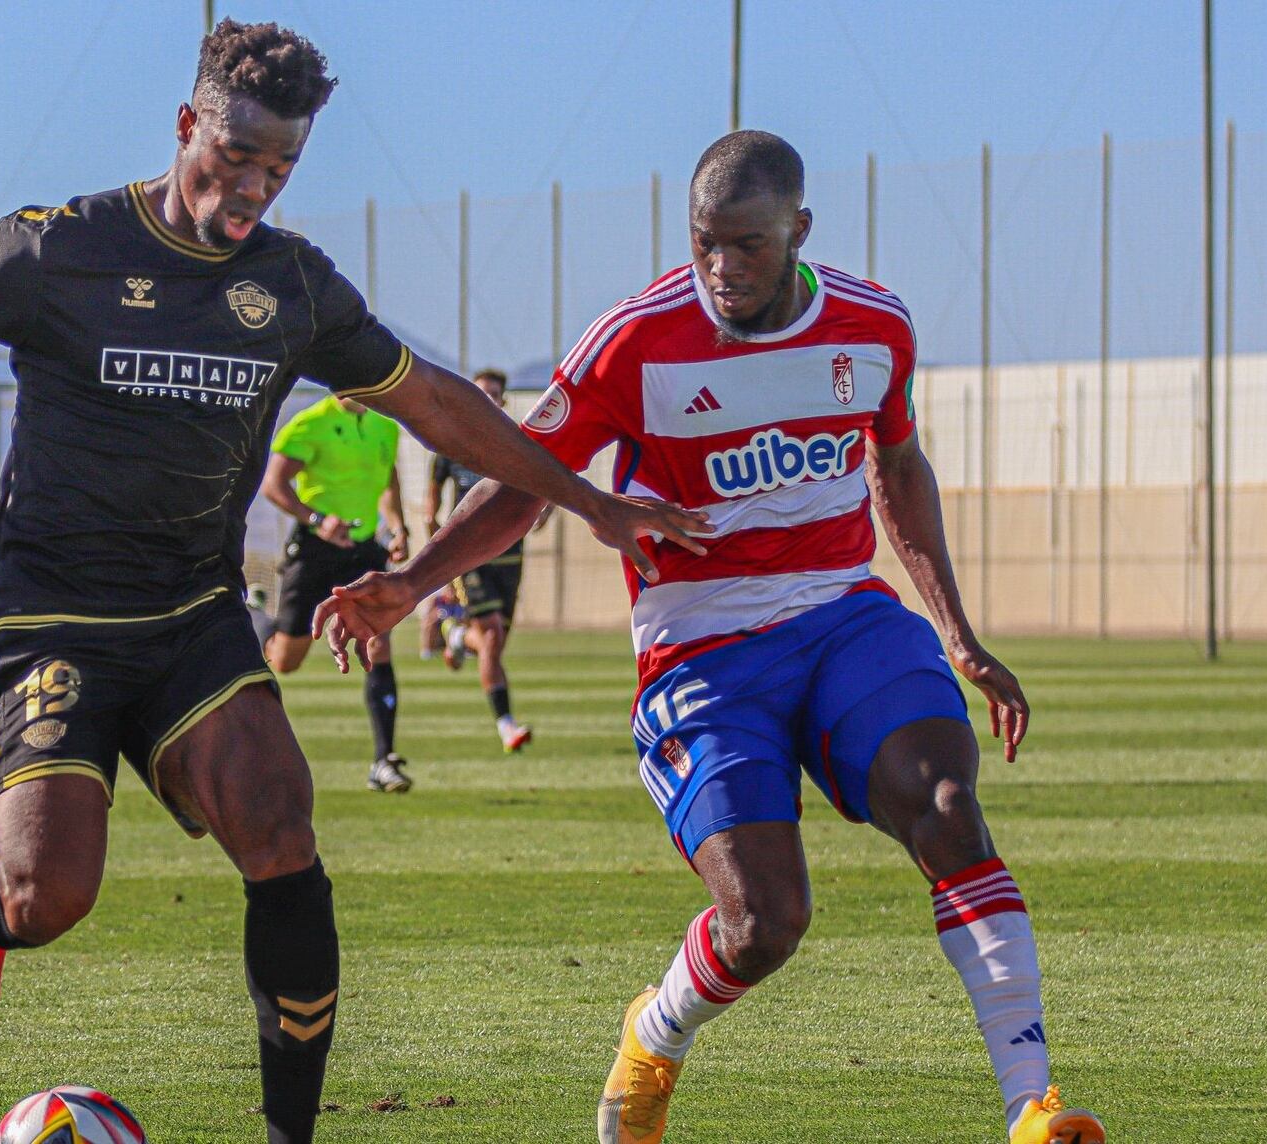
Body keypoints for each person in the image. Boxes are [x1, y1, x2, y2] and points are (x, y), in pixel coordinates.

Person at [0, 20, 705, 1144]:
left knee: (281, 825)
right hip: (49, 619)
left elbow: (431, 399)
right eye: (234, 160)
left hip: (190, 615)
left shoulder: (290, 286)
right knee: (51, 896)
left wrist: (594, 502)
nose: (251, 190)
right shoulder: (55, 249)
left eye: (278, 170)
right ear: (187, 126)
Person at [313, 131, 1103, 1144]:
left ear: (797, 232)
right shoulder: (635, 341)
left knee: (948, 806)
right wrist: (413, 581)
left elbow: (896, 467)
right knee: (763, 923)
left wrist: (954, 631)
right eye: (702, 244)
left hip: (841, 614)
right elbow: (520, 478)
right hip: (698, 646)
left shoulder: (872, 326)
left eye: (746, 245)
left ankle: (1029, 1108)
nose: (720, 268)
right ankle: (654, 1033)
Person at [260, 392, 413, 792]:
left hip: (364, 550)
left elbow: (388, 482)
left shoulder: (385, 425)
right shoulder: (312, 422)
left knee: (378, 642)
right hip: (315, 549)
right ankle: (259, 619)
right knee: (286, 661)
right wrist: (317, 519)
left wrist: (396, 528)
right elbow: (274, 483)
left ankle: (383, 761)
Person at [424, 369, 535, 753]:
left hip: (510, 555)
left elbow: (547, 481)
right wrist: (435, 538)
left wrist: (546, 508)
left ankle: (455, 635)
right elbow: (433, 495)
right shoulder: (451, 441)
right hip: (470, 554)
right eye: (481, 393)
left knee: (495, 643)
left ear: (503, 401)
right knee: (491, 637)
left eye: (495, 394)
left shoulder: (519, 441)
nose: (488, 399)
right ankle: (506, 725)